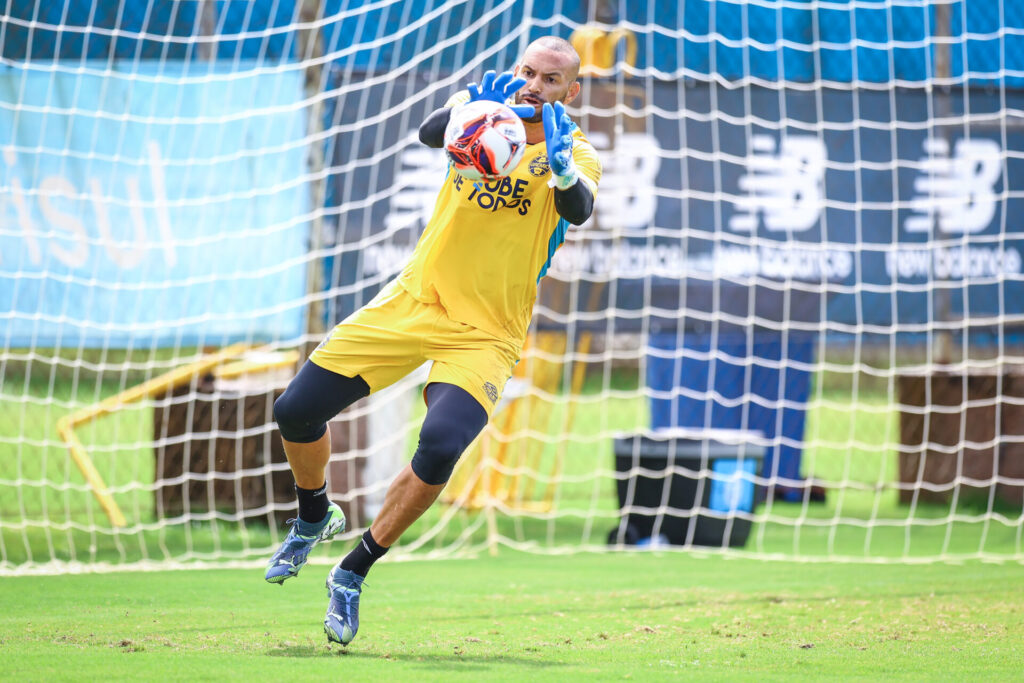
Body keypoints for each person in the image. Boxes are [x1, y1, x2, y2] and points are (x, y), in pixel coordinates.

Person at [265, 35, 602, 646]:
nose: (534, 85)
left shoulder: (574, 151)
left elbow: (578, 210)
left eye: (551, 80)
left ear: (572, 91)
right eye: (528, 72)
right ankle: (315, 516)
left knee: (442, 442)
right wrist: (467, 106)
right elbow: (428, 133)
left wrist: (560, 167)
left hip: (486, 330)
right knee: (294, 410)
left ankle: (353, 570)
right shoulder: (484, 115)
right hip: (415, 301)